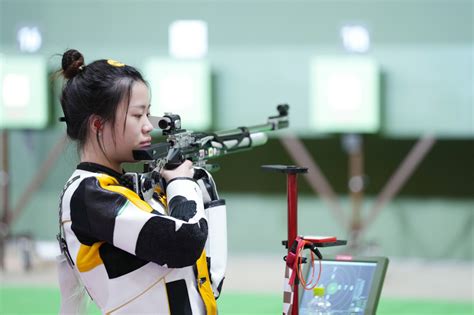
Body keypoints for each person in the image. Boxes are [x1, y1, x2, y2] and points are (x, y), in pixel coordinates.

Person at [56, 49, 227, 314]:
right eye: (138, 116)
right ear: (98, 125)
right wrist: (181, 184)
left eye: (148, 114)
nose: (148, 126)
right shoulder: (88, 194)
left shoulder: (123, 186)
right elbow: (184, 244)